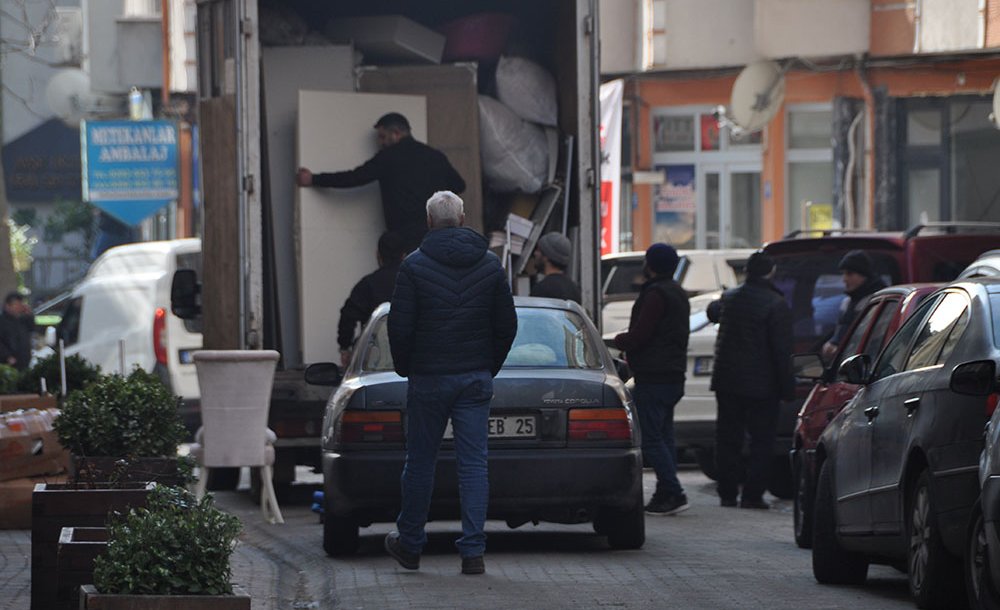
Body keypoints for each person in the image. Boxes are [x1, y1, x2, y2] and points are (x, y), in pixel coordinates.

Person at [385, 190, 517, 576]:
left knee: (420, 463)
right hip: (474, 378)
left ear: (429, 222)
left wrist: (407, 367)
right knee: (474, 466)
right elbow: (507, 324)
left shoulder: (413, 266)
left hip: (428, 378)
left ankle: (410, 544)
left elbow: (400, 326)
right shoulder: (490, 265)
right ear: (462, 219)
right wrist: (487, 365)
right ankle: (472, 552)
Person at [296, 112, 466, 252]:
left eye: (383, 137)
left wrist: (313, 179)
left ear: (396, 134)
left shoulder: (388, 158)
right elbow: (459, 185)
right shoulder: (435, 156)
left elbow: (354, 178)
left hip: (404, 236)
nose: (381, 142)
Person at [706, 251, 794, 509]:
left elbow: (713, 312)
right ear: (771, 272)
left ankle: (727, 493)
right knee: (761, 441)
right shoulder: (775, 304)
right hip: (762, 385)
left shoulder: (730, 298)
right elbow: (781, 351)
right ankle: (753, 495)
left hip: (728, 381)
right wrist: (788, 388)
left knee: (727, 438)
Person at [613, 243, 690, 516]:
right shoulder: (677, 292)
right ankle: (665, 491)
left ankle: (673, 489)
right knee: (664, 435)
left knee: (652, 438)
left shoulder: (656, 294)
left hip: (654, 377)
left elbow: (642, 334)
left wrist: (615, 340)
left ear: (651, 264)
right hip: (672, 375)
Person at [337, 231, 406, 368]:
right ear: (404, 256)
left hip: (374, 362)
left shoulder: (367, 285)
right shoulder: (415, 283)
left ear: (378, 255)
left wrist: (345, 348)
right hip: (413, 358)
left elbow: (347, 316)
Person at [821, 250, 887, 361]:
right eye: (844, 274)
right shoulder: (847, 303)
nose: (845, 279)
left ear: (864, 275)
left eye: (850, 274)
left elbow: (872, 340)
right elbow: (841, 330)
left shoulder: (877, 302)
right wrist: (832, 344)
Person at [529, 232, 581, 303]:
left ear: (546, 257)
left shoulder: (541, 290)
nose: (535, 253)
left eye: (538, 250)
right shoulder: (574, 289)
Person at [0, 292, 33, 371]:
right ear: (7, 306)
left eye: (20, 305)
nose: (19, 307)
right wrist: (7, 356)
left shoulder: (22, 319)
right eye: (16, 305)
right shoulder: (2, 321)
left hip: (24, 360)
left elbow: (32, 328)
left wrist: (29, 314)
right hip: (9, 362)